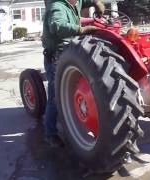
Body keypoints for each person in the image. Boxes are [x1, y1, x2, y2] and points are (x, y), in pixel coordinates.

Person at [42, 0, 105, 147]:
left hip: (71, 50)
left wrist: (96, 2)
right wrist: (80, 30)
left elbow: (86, 2)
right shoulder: (56, 6)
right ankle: (50, 133)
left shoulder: (75, 2)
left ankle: (72, 117)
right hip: (56, 55)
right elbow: (57, 26)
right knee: (55, 97)